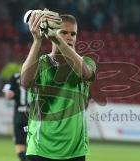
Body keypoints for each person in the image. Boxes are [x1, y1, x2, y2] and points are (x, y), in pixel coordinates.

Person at [20, 9, 96, 161]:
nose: (69, 37)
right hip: (40, 148)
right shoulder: (40, 64)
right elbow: (25, 82)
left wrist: (56, 37)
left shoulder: (87, 62)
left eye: (73, 34)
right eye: (64, 32)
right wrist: (37, 41)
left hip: (74, 151)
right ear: (54, 32)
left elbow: (86, 74)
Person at [2, 73, 28, 161]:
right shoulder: (37, 75)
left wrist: (8, 93)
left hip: (24, 117)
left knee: (21, 142)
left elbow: (7, 91)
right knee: (24, 142)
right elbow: (6, 91)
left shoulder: (15, 77)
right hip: (27, 116)